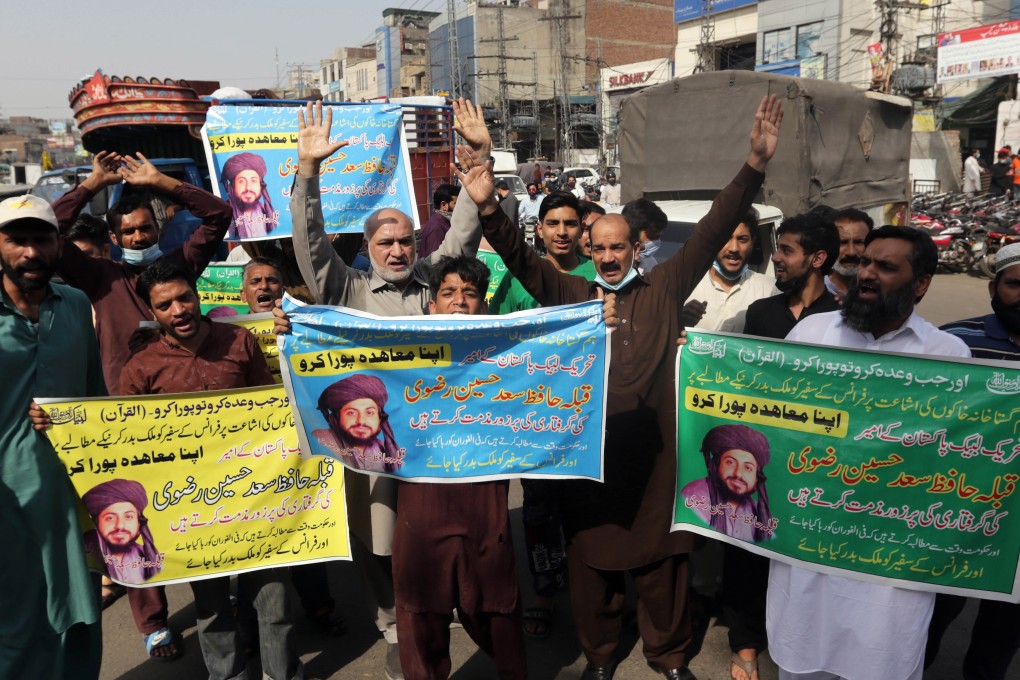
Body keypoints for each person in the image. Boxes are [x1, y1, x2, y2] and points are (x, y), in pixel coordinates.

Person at [456, 94, 784, 680]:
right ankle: (602, 657)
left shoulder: (664, 285)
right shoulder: (572, 295)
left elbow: (712, 230)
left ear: (637, 248)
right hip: (592, 460)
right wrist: (487, 207)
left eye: (618, 247)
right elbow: (523, 261)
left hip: (658, 459)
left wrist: (754, 164)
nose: (608, 256)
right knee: (595, 567)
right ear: (588, 249)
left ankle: (668, 656)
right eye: (598, 247)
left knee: (663, 570)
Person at [282, 98, 488, 679]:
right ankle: (392, 622)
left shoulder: (434, 280)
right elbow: (310, 242)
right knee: (378, 539)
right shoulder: (344, 287)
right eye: (385, 243)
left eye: (405, 241)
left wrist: (483, 157)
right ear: (368, 250)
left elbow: (466, 232)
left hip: (436, 435)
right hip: (372, 444)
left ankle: (432, 611)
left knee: (441, 532)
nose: (397, 250)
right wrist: (309, 172)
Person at [768, 225, 971, 680]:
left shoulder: (949, 356)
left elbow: (958, 464)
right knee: (802, 659)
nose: (867, 275)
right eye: (864, 263)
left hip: (893, 568)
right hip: (811, 547)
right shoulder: (811, 336)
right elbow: (773, 429)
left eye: (885, 266)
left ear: (921, 284)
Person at [52, 150, 232, 660]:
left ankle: (219, 597)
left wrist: (161, 182)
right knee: (132, 524)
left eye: (144, 230)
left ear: (157, 229)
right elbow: (49, 233)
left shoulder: (180, 269)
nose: (137, 239)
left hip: (186, 416)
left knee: (199, 509)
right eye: (127, 232)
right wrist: (90, 185)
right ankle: (153, 623)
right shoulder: (98, 278)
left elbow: (219, 215)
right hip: (125, 419)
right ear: (114, 238)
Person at [120, 258, 302, 680]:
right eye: (165, 305)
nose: (179, 310)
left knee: (273, 602)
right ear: (152, 312)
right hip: (191, 510)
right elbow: (126, 438)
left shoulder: (239, 342)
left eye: (185, 298)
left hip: (257, 495)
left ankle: (283, 675)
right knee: (212, 609)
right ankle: (228, 675)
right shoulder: (141, 368)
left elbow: (271, 409)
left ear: (198, 296)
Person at [391, 254, 527, 679]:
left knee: (496, 604)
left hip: (483, 497)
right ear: (431, 305)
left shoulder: (509, 355)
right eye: (448, 292)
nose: (459, 302)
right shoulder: (401, 352)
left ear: (484, 305)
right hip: (423, 497)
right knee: (420, 609)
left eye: (470, 293)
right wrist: (294, 332)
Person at [3, 194, 104, 679]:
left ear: (57, 244)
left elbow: (95, 396)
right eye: (16, 240)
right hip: (10, 499)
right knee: (16, 620)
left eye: (40, 239)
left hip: (72, 494)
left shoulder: (76, 304)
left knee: (78, 609)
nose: (29, 252)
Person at [925, 241, 1020, 680]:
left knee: (1003, 632)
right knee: (934, 614)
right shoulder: (954, 340)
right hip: (956, 510)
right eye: (1015, 284)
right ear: (993, 288)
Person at [743, 212, 840, 338]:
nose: (775, 257)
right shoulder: (759, 312)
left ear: (817, 259)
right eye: (778, 248)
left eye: (787, 250)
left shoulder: (841, 317)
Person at [682, 210, 778, 332]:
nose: (734, 248)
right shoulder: (685, 286)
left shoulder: (770, 290)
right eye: (726, 238)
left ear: (753, 242)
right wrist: (679, 321)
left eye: (742, 239)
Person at [681, 425, 773, 542]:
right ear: (717, 465)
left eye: (748, 468)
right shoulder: (694, 496)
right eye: (730, 462)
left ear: (756, 478)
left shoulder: (759, 513)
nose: (738, 474)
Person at [315, 375, 404, 472]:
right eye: (351, 413)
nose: (361, 421)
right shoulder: (320, 440)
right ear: (337, 417)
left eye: (370, 413)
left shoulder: (388, 452)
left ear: (380, 418)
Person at [82, 479, 162, 584]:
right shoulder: (86, 554)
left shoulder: (149, 558)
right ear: (97, 522)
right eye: (110, 518)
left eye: (128, 516)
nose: (119, 525)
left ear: (139, 522)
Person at [221, 152, 278, 238]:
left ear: (260, 186)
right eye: (241, 181)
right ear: (233, 186)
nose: (248, 187)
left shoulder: (268, 213)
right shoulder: (224, 214)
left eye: (253, 181)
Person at [824, 208, 874, 299]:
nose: (851, 253)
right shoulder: (815, 293)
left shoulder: (880, 294)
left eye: (859, 242)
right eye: (843, 242)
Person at [621, 198, 667, 274]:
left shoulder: (651, 265)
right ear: (631, 232)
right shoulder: (608, 266)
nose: (656, 241)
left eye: (658, 236)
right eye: (652, 235)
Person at [418, 183, 459, 258]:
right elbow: (435, 262)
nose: (460, 207)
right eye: (456, 203)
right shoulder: (437, 227)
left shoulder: (444, 221)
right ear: (443, 205)